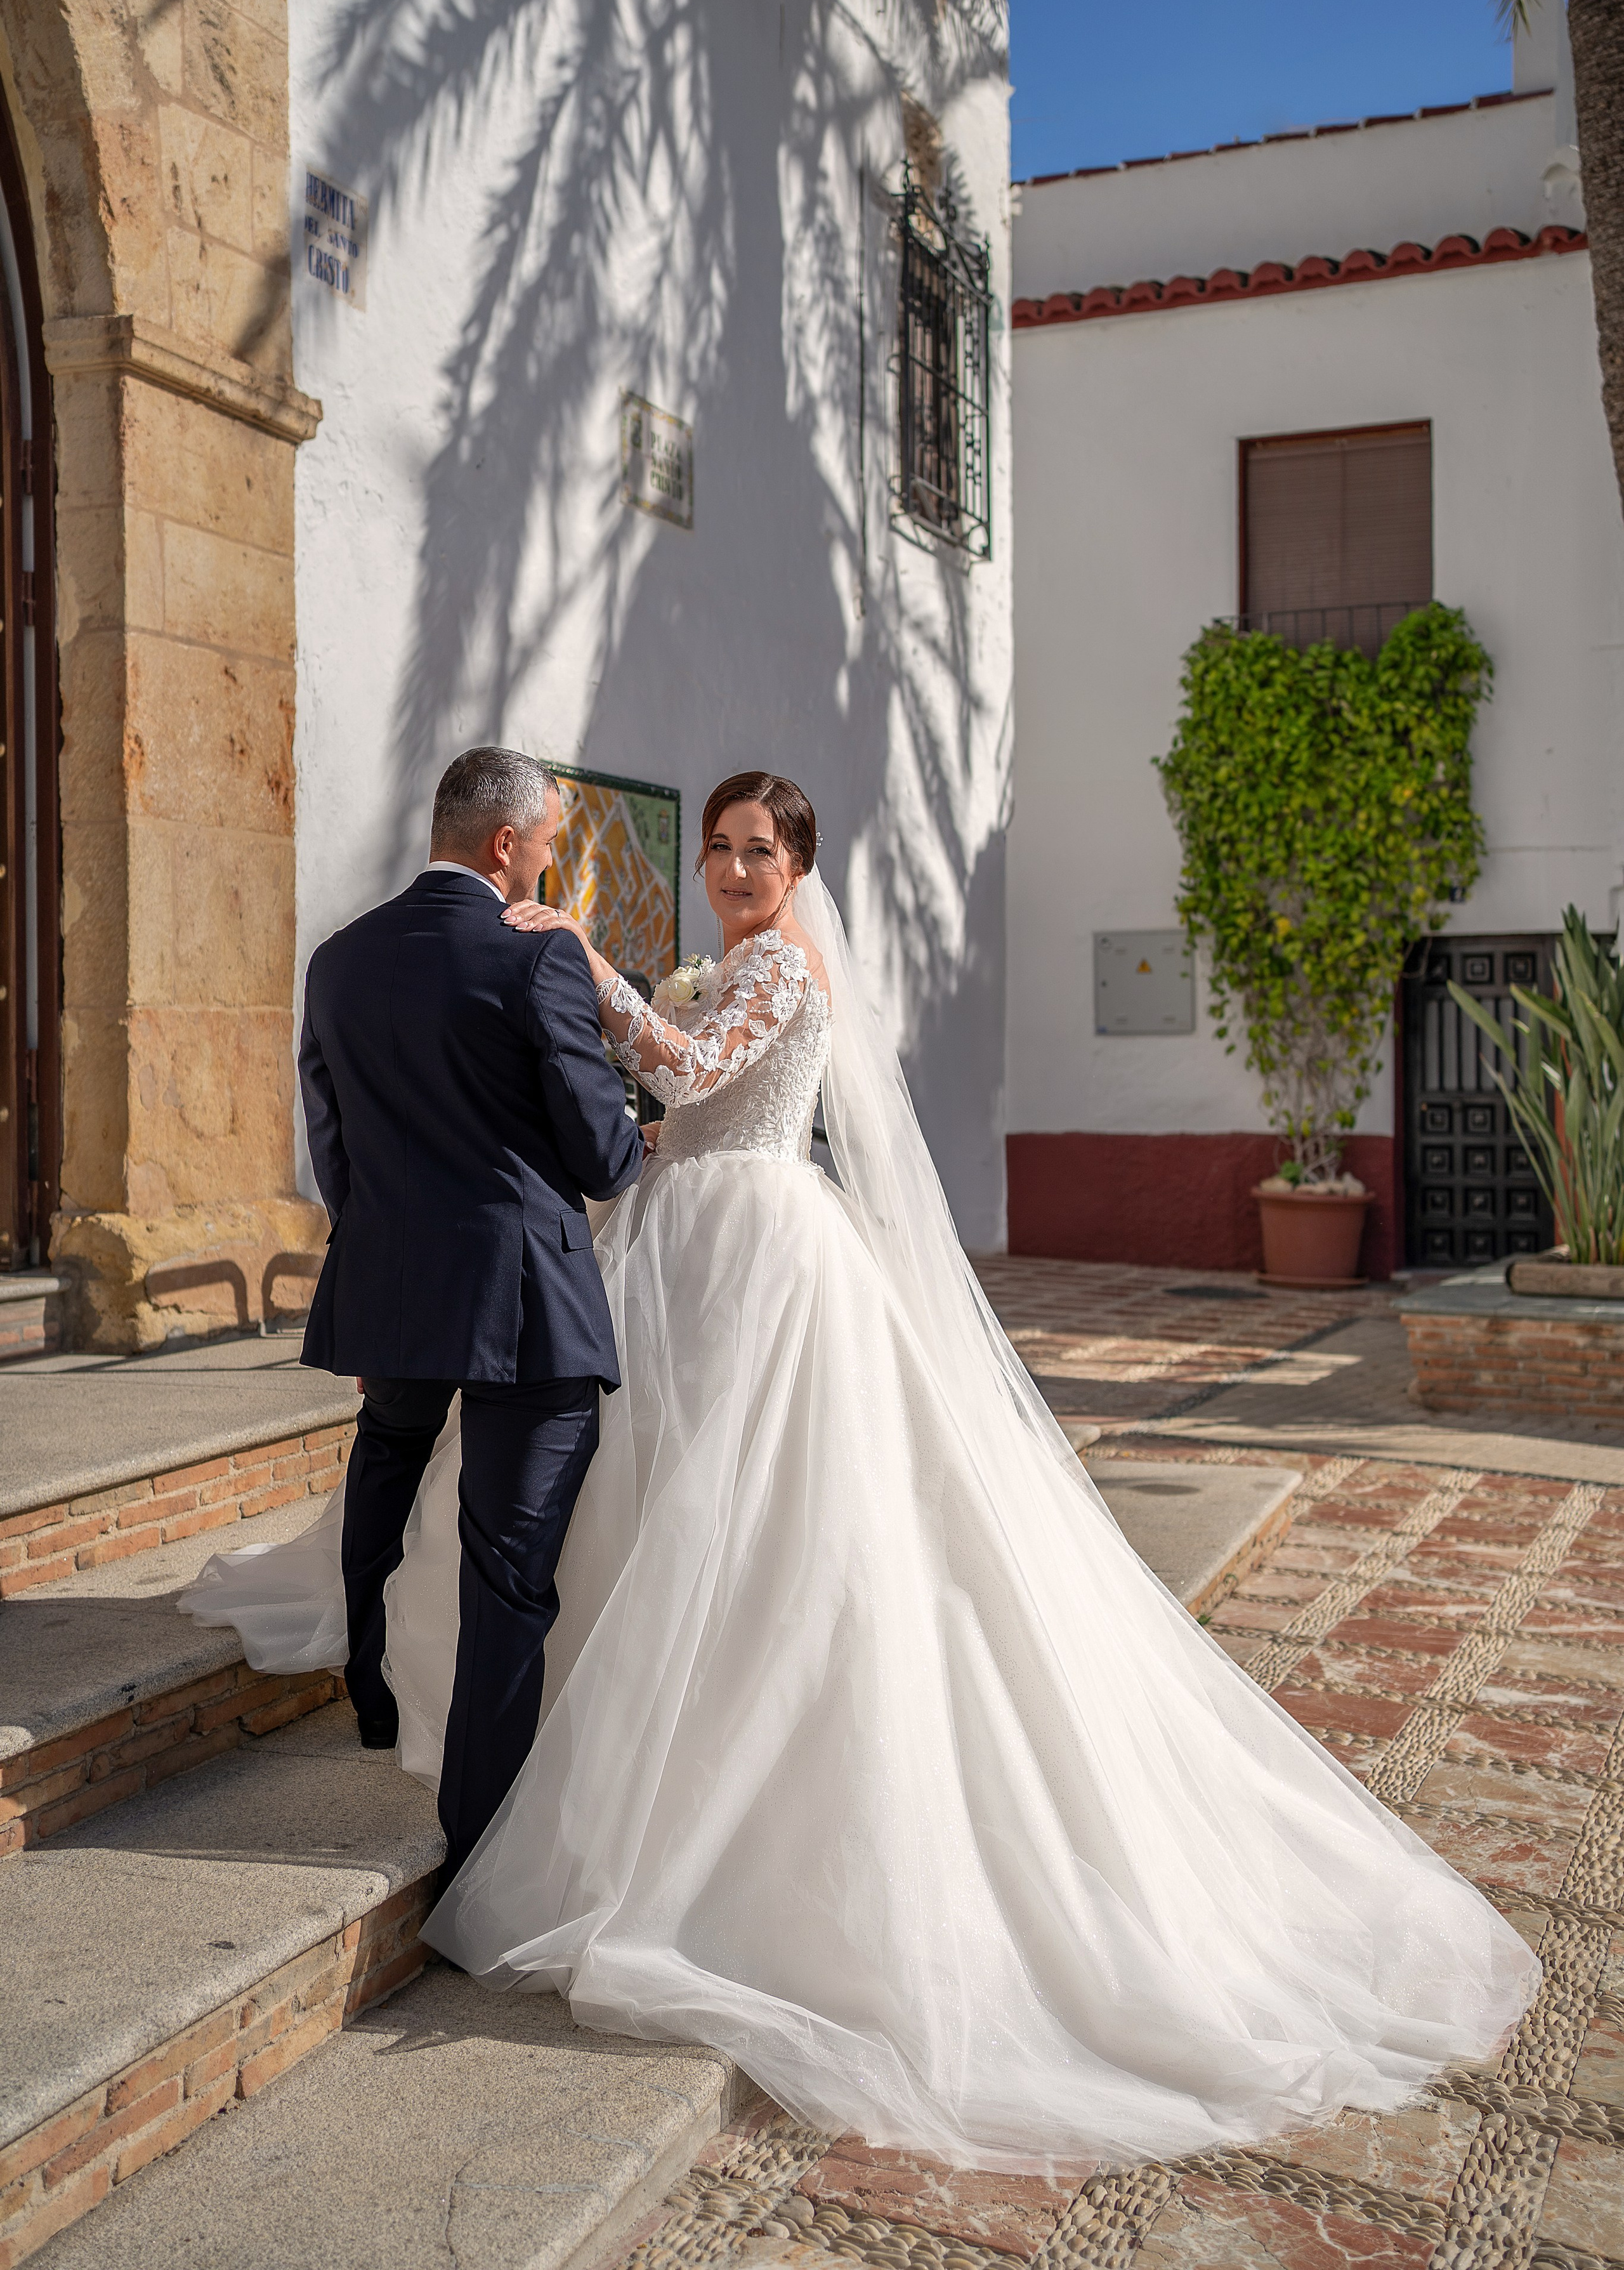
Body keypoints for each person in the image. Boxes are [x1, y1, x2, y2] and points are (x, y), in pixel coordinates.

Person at [187, 769, 1536, 2174]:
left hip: (759, 1251)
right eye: (715, 847)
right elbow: (665, 1111)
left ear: (798, 863)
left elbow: (700, 1078)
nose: (728, 868)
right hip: (679, 1240)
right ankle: (569, 1761)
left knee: (751, 1511)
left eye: (753, 850)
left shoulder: (780, 963)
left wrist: (595, 975)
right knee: (638, 1512)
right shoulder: (739, 959)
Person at [227, 746, 644, 1883]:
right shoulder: (538, 957)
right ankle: (478, 1841)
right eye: (552, 841)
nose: (551, 864)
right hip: (522, 1296)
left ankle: (372, 1697)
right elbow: (605, 1157)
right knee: (508, 1567)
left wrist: (375, 1257)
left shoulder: (341, 960)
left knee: (387, 1467)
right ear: (507, 845)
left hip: (396, 1275)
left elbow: (335, 1142)